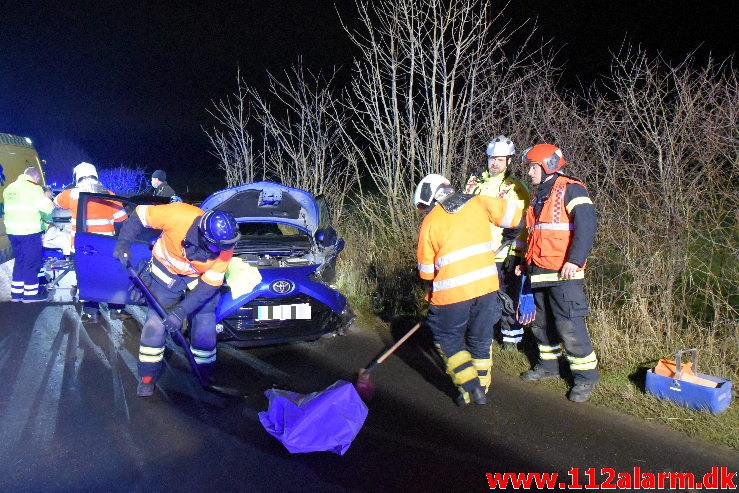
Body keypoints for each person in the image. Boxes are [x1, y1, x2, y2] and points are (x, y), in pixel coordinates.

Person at [415, 174, 523, 405]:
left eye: (425, 205)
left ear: (431, 196)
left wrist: (431, 295)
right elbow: (515, 216)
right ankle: (480, 390)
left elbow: (426, 270)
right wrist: (511, 233)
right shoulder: (477, 201)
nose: (425, 210)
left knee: (448, 338)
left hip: (452, 293)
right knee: (480, 340)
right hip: (486, 287)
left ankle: (470, 386)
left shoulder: (430, 221)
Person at [112, 203, 240, 397]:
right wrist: (123, 244)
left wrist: (180, 312)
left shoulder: (225, 246)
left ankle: (205, 373)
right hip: (165, 273)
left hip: (199, 281)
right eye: (215, 246)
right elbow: (139, 215)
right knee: (156, 323)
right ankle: (147, 377)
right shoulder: (178, 214)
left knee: (205, 322)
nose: (221, 251)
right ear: (203, 235)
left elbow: (209, 285)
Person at [515, 144, 599, 402]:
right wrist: (524, 262)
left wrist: (575, 260)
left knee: (569, 326)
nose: (529, 173)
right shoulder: (539, 195)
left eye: (532, 167)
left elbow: (588, 225)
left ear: (547, 165)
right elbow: (537, 234)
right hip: (538, 272)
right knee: (540, 324)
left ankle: (586, 379)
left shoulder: (571, 188)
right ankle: (549, 368)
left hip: (564, 273)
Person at [464, 135, 530, 350]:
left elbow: (523, 223)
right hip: (475, 253)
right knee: (477, 297)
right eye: (492, 158)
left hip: (502, 253)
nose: (495, 163)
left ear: (509, 161)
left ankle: (511, 340)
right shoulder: (475, 184)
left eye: (500, 160)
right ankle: (479, 334)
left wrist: (517, 255)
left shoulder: (515, 188)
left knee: (506, 297)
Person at [53, 162, 128, 321]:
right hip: (106, 245)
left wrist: (71, 186)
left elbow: (56, 202)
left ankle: (90, 312)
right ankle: (116, 310)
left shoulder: (71, 194)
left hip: (82, 246)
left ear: (77, 177)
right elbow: (122, 218)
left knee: (87, 277)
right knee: (110, 276)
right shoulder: (109, 195)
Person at [2, 167, 54, 302]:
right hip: (29, 232)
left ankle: (17, 294)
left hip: (13, 233)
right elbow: (47, 209)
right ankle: (30, 294)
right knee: (32, 262)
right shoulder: (33, 188)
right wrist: (48, 199)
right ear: (35, 177)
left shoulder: (9, 188)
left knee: (20, 261)